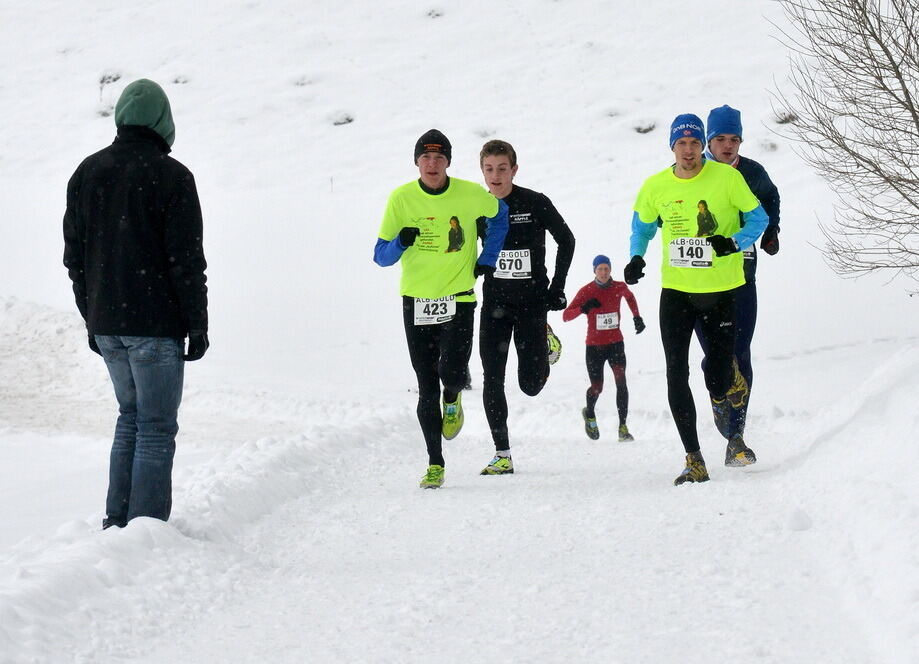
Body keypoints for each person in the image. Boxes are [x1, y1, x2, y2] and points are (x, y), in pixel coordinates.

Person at [63, 79, 209, 528]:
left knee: (130, 417)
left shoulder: (87, 172)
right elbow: (186, 261)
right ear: (164, 123)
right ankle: (146, 528)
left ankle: (118, 519)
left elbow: (75, 257)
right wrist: (197, 324)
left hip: (108, 323)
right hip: (156, 324)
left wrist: (93, 317)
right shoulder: (173, 177)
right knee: (156, 428)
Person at [623, 113, 768, 485]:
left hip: (721, 291)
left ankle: (729, 379)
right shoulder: (655, 186)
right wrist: (637, 257)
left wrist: (734, 242)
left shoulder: (727, 178)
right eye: (681, 143)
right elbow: (641, 226)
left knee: (717, 380)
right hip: (676, 293)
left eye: (694, 143)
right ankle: (694, 459)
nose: (688, 150)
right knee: (676, 372)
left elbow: (759, 219)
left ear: (702, 144)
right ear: (672, 146)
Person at [373, 129, 508, 489]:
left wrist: (488, 257)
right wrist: (401, 242)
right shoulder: (401, 199)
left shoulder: (468, 194)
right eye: (425, 158)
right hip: (416, 300)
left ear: (448, 162)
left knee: (451, 373)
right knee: (425, 384)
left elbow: (501, 214)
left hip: (459, 297)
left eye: (439, 158)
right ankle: (435, 462)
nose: (432, 164)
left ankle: (454, 397)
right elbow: (380, 257)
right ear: (416, 162)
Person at [475, 139, 575, 475]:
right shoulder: (477, 208)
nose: (496, 175)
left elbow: (567, 240)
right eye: (489, 169)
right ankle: (501, 453)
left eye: (502, 168)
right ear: (482, 172)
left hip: (532, 303)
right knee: (492, 378)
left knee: (530, 386)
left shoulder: (534, 202)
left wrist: (557, 287)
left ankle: (547, 342)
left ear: (514, 170)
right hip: (495, 304)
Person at [696, 105, 781, 449]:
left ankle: (737, 435)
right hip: (700, 281)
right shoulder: (691, 171)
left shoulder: (753, 172)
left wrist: (771, 232)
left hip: (743, 276)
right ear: (708, 141)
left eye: (734, 139)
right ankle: (718, 396)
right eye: (720, 139)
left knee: (740, 350)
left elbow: (771, 198)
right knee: (716, 355)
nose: (728, 146)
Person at [563, 255, 643, 442]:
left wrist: (637, 317)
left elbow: (630, 298)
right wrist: (584, 308)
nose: (604, 272)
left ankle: (623, 427)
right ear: (594, 271)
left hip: (616, 343)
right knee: (597, 387)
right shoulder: (587, 291)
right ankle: (589, 413)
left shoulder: (619, 287)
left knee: (621, 382)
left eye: (606, 269)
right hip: (594, 347)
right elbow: (566, 316)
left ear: (610, 270)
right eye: (600, 269)